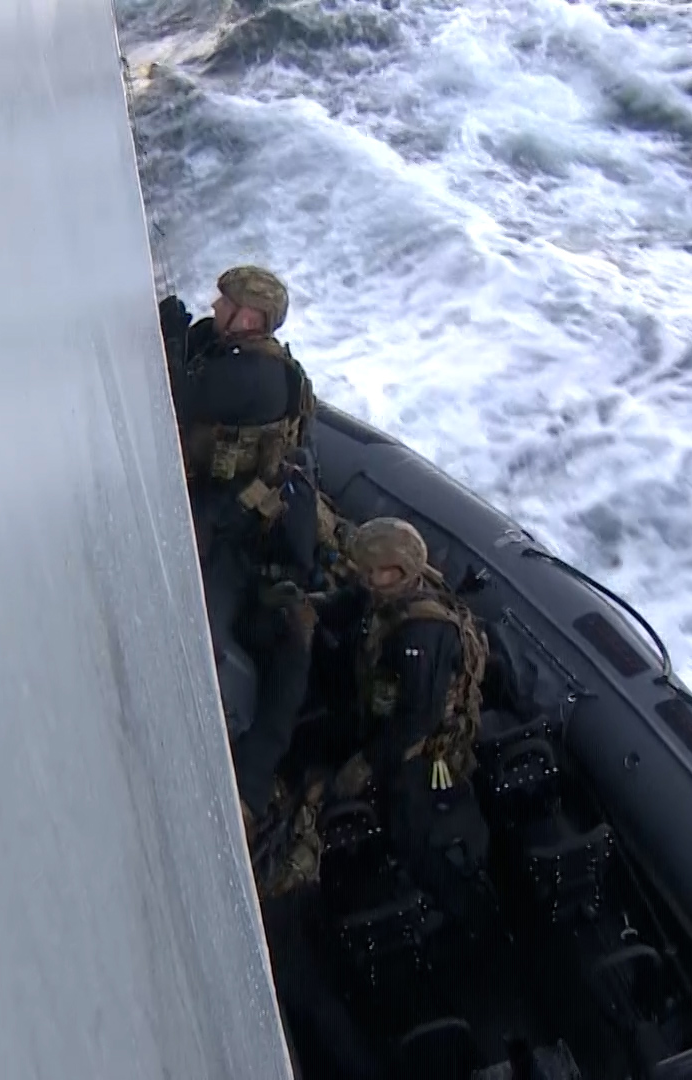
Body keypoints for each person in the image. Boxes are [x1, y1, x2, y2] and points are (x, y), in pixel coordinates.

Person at [158, 266, 320, 823]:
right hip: (227, 502)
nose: (215, 306)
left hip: (239, 524)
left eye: (225, 302)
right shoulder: (239, 354)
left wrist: (173, 336)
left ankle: (235, 771)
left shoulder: (254, 377)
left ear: (248, 318)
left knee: (207, 617)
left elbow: (176, 394)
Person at [304, 516, 493, 927]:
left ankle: (465, 914)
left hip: (421, 747)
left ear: (400, 571)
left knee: (409, 832)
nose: (366, 579)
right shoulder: (389, 593)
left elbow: (417, 719)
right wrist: (310, 603)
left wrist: (365, 764)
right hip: (381, 710)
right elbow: (352, 603)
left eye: (375, 572)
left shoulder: (419, 636)